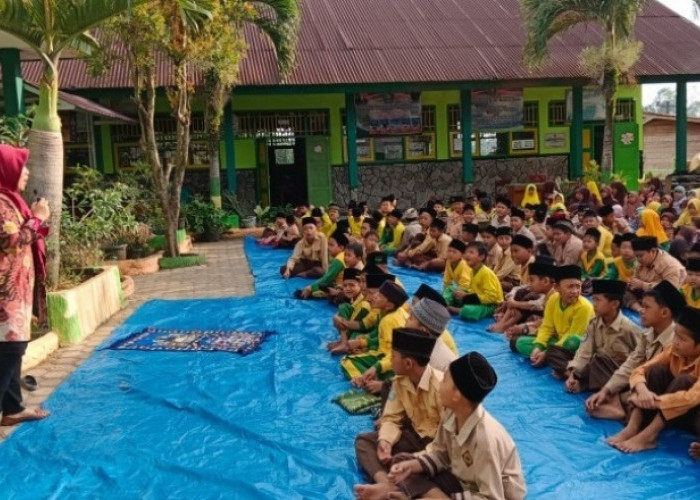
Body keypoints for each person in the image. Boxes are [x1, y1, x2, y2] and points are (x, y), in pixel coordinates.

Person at [387, 352, 526, 500]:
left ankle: (424, 495)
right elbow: (442, 453)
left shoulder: (485, 439)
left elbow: (491, 497)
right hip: (462, 482)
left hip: (491, 495)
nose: (440, 384)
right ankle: (428, 494)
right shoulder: (451, 413)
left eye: (445, 380)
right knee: (402, 463)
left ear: (456, 395)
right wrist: (412, 466)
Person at [353, 328, 443, 500]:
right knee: (364, 441)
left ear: (408, 364)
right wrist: (385, 441)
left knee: (407, 466)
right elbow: (391, 417)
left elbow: (446, 443)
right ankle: (386, 484)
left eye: (393, 356)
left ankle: (400, 486)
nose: (390, 361)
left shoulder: (441, 388)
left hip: (437, 448)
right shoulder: (400, 382)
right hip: (414, 437)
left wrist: (416, 460)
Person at [0, 144, 51, 426]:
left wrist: (35, 218)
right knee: (10, 350)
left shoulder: (10, 201)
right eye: (21, 166)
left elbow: (26, 235)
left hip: (15, 291)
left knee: (11, 350)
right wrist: (37, 218)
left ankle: (12, 408)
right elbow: (11, 242)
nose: (27, 172)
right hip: (5, 294)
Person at [585, 280, 685, 421]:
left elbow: (656, 379)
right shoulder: (649, 333)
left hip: (661, 392)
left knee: (653, 374)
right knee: (601, 363)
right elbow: (631, 364)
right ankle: (621, 402)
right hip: (640, 382)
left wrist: (619, 394)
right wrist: (606, 391)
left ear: (664, 312)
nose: (641, 311)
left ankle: (623, 405)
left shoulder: (676, 341)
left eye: (646, 307)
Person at [607, 305, 700, 453]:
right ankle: (632, 427)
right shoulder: (673, 350)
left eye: (682, 339)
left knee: (685, 381)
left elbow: (692, 397)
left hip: (693, 413)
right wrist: (642, 391)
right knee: (655, 371)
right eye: (675, 335)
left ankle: (649, 436)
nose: (675, 341)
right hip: (669, 412)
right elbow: (640, 369)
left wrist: (654, 401)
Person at [515, 265, 595, 379]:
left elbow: (573, 335)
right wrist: (538, 347)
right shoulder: (553, 299)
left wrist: (547, 352)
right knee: (519, 343)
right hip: (557, 342)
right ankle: (552, 360)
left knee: (572, 340)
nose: (575, 291)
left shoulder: (584, 307)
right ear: (557, 287)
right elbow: (547, 327)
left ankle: (553, 359)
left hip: (575, 347)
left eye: (578, 286)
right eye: (570, 287)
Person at [564, 280, 641, 394]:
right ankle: (581, 380)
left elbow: (642, 358)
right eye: (593, 299)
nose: (593, 304)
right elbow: (585, 351)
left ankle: (591, 385)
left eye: (597, 300)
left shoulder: (629, 328)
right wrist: (573, 374)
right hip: (597, 368)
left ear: (614, 304)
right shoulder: (593, 324)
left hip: (619, 373)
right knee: (554, 352)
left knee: (598, 361)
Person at [341, 281, 408, 390]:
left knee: (346, 361)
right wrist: (362, 342)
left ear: (389, 305)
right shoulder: (395, 312)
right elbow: (381, 337)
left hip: (388, 358)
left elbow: (392, 354)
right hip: (393, 358)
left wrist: (376, 367)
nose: (374, 296)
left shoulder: (388, 320)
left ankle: (363, 381)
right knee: (357, 340)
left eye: (380, 295)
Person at [449, 242, 504, 322]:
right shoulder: (472, 271)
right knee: (451, 288)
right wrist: (463, 294)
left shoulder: (486, 273)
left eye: (471, 252)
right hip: (477, 300)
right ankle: (445, 303)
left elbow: (491, 297)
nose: (467, 255)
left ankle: (457, 310)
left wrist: (467, 297)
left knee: (469, 310)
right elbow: (473, 290)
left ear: (481, 257)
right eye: (466, 252)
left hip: (491, 305)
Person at [628, 236, 686, 312]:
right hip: (645, 295)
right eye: (636, 256)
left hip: (665, 299)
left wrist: (643, 285)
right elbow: (635, 277)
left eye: (641, 256)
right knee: (622, 291)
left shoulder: (669, 265)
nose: (638, 259)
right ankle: (640, 309)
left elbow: (671, 291)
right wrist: (632, 284)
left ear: (653, 251)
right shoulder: (640, 262)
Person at [327, 268, 372, 354]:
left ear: (360, 285)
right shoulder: (356, 298)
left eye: (352, 285)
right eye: (345, 286)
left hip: (366, 331)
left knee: (354, 336)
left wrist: (339, 319)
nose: (347, 289)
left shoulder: (364, 303)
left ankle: (344, 343)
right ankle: (345, 342)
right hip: (359, 328)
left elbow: (357, 323)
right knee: (343, 307)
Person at [407, 298, 458, 371]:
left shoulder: (430, 362)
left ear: (422, 331)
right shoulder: (423, 345)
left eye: (410, 318)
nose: (406, 320)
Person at [296, 230, 347, 299]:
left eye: (331, 245)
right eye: (328, 244)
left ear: (341, 247)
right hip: (340, 284)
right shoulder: (342, 255)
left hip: (339, 286)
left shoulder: (338, 259)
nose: (328, 247)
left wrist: (310, 288)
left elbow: (328, 278)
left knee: (316, 290)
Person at [442, 239, 471, 307]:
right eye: (449, 250)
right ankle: (445, 302)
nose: (451, 254)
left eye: (454, 252)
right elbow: (447, 280)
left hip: (467, 292)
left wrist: (456, 292)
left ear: (462, 255)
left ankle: (444, 304)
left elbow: (465, 284)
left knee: (450, 289)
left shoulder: (464, 264)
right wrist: (444, 292)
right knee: (448, 289)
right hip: (459, 290)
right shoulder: (448, 262)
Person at [493, 227, 520, 293]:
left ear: (512, 240)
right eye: (501, 238)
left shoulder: (513, 253)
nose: (504, 241)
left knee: (490, 285)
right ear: (497, 240)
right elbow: (497, 268)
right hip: (504, 279)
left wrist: (490, 280)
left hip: (514, 283)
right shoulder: (500, 251)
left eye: (507, 238)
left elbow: (503, 273)